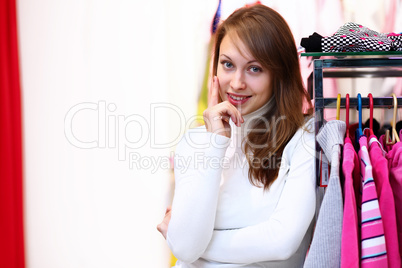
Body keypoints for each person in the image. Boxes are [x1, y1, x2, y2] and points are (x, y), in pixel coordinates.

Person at [157, 4, 316, 267]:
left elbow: (281, 242)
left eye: (254, 69)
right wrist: (215, 143)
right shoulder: (195, 142)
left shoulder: (304, 140)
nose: (237, 82)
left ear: (279, 73)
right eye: (228, 64)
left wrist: (195, 245)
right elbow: (185, 248)